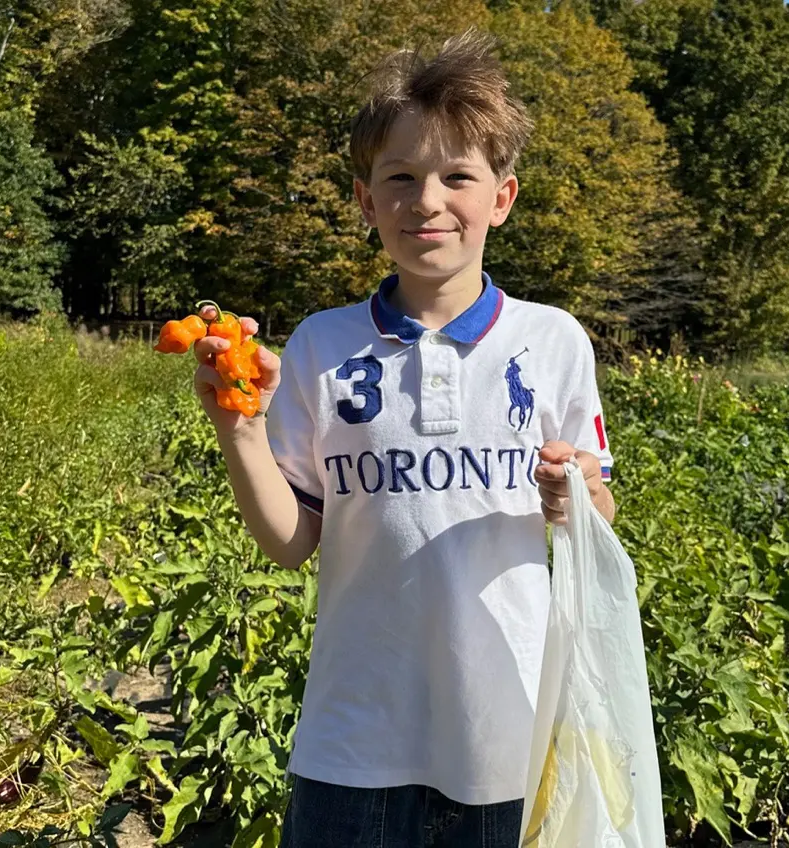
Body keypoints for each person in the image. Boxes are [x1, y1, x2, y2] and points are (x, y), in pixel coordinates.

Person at [192, 28, 617, 848]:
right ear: (365, 200)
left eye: (458, 176)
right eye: (401, 177)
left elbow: (596, 511)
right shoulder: (320, 345)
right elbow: (289, 543)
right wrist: (239, 429)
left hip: (509, 738)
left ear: (502, 198)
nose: (427, 200)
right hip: (354, 743)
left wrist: (575, 496)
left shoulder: (553, 341)